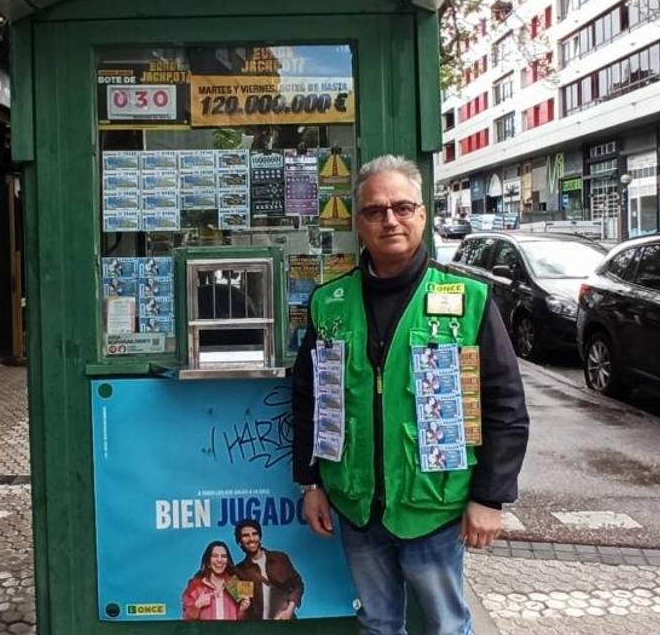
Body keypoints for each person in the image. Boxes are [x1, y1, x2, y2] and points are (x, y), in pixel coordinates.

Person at [292, 155, 529, 635]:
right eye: (376, 211)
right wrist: (311, 481)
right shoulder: (329, 302)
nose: (390, 220)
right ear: (359, 223)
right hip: (357, 504)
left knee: (446, 626)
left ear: (423, 214)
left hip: (434, 507)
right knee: (377, 624)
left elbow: (505, 405)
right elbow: (309, 398)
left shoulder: (469, 299)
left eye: (402, 207)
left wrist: (490, 498)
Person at [232, 519, 304, 620]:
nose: (251, 538)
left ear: (260, 537)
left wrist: (289, 610)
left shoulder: (280, 558)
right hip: (259, 628)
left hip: (286, 622)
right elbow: (246, 604)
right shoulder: (240, 570)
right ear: (240, 542)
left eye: (255, 534)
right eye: (246, 536)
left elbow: (298, 585)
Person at [180, 541, 252, 621]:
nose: (219, 560)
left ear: (227, 561)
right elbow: (186, 620)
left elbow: (243, 625)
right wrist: (197, 606)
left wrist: (242, 610)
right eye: (215, 556)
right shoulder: (195, 586)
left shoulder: (236, 585)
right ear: (208, 562)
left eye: (224, 556)